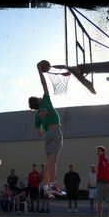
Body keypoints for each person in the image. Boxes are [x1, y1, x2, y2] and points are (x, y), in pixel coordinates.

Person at [28, 60, 64, 200]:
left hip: (48, 134)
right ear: (38, 101)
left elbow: (38, 131)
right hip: (55, 132)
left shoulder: (37, 114)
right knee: (52, 160)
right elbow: (44, 84)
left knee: (50, 161)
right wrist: (39, 72)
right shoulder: (45, 101)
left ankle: (46, 188)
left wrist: (43, 129)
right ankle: (53, 185)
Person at [94, 146, 109, 217]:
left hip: (103, 183)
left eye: (98, 151)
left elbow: (106, 171)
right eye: (97, 151)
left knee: (99, 202)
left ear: (103, 152)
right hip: (107, 183)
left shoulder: (103, 160)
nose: (97, 152)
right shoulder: (105, 160)